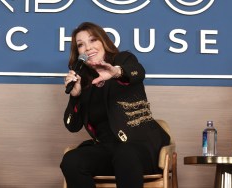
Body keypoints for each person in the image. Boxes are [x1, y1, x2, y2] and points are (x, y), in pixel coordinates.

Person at [60, 22, 170, 188]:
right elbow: (72, 125)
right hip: (107, 150)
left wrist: (116, 72)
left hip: (140, 147)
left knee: (124, 154)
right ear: (78, 53)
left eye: (93, 40)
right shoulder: (84, 80)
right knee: (71, 160)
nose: (88, 48)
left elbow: (138, 72)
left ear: (104, 41)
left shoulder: (123, 60)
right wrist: (75, 96)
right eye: (81, 45)